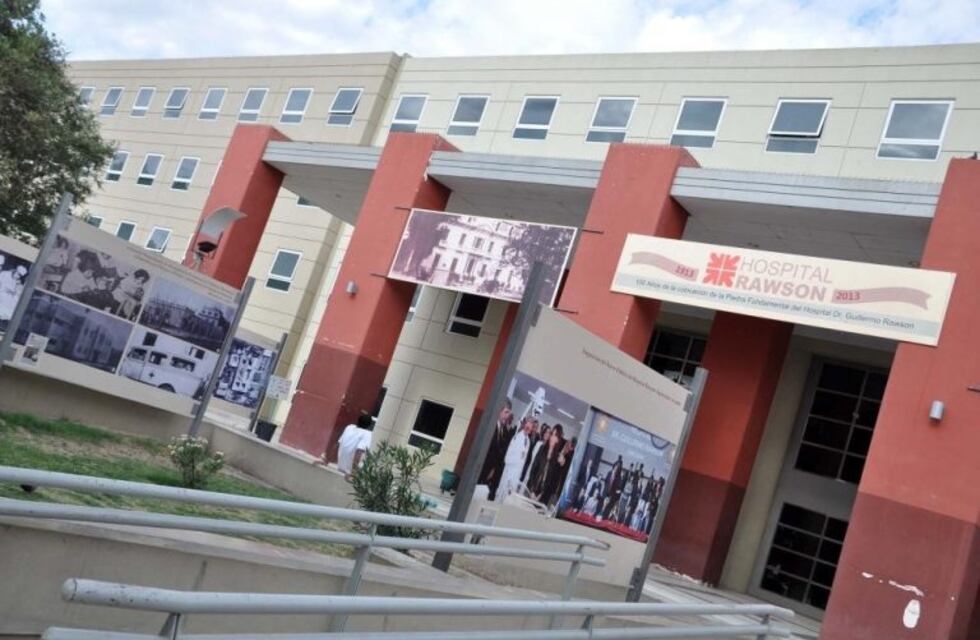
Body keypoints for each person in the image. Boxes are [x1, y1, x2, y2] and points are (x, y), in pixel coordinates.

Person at [478, 400, 514, 500]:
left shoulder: (502, 430)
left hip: (490, 473)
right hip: (482, 470)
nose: (507, 416)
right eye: (506, 412)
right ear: (499, 411)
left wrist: (493, 470)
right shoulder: (490, 426)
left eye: (509, 413)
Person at [495, 417, 533, 502]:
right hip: (509, 475)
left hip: (516, 477)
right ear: (524, 425)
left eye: (530, 427)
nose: (528, 428)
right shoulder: (516, 437)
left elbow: (523, 461)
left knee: (509, 501)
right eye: (527, 425)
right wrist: (518, 458)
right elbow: (506, 459)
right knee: (500, 499)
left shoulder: (528, 441)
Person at [335, 413, 374, 481]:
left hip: (340, 465)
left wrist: (327, 459)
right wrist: (353, 473)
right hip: (350, 469)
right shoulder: (367, 434)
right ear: (369, 425)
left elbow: (338, 444)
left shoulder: (349, 427)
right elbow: (359, 452)